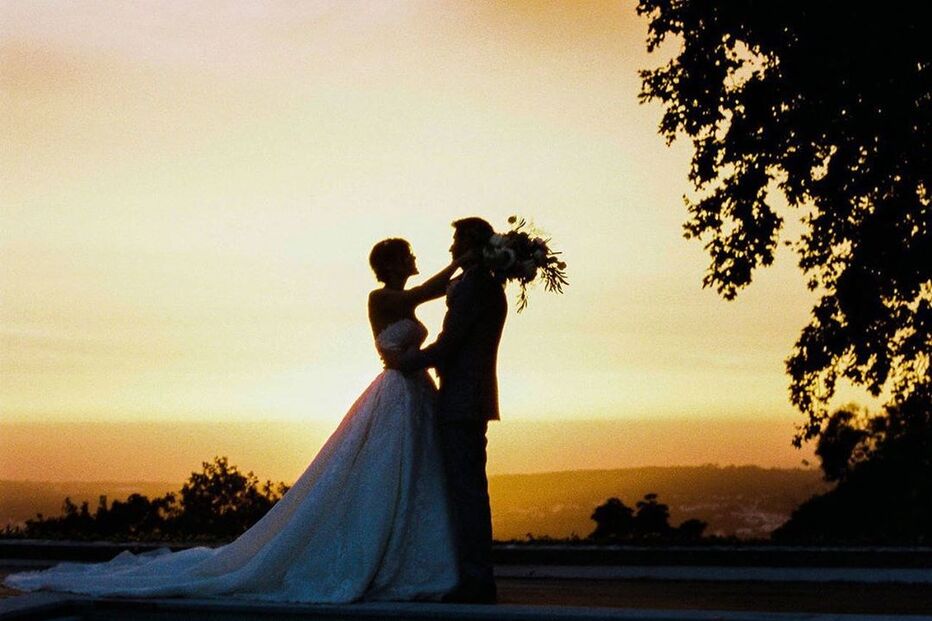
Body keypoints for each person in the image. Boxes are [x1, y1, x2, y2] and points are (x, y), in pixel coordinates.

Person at [4, 239, 464, 604]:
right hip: (397, 392)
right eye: (408, 254)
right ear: (392, 263)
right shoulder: (382, 297)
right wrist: (466, 260)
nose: (415, 258)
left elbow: (437, 293)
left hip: (415, 392)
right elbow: (422, 295)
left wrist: (477, 269)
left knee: (414, 475)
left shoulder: (401, 298)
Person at [390, 217, 508, 604]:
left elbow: (448, 344)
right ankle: (470, 575)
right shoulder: (478, 283)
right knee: (466, 490)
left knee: (467, 493)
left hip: (463, 400)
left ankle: (477, 581)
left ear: (472, 245)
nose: (451, 248)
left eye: (457, 240)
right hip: (466, 397)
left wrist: (405, 363)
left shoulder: (476, 286)